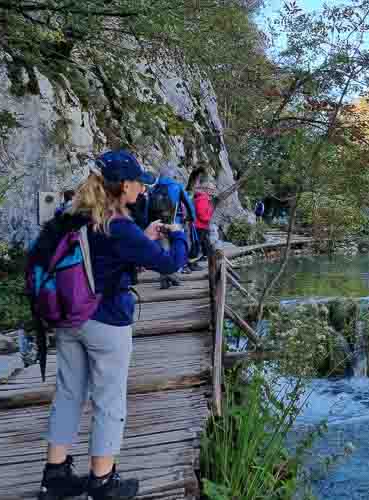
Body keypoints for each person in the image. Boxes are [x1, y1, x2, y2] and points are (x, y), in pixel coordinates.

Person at [38, 150, 188, 500]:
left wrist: (144, 235)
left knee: (69, 394)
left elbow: (106, 253)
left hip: (68, 317)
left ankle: (54, 477)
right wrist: (177, 234)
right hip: (105, 323)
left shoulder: (74, 214)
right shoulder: (119, 227)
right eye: (138, 183)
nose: (142, 189)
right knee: (109, 401)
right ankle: (102, 482)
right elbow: (170, 264)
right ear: (123, 185)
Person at [149, 166, 196, 288]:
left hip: (159, 223)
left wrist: (149, 223)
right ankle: (174, 275)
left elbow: (148, 208)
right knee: (178, 247)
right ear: (172, 175)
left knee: (164, 250)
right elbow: (188, 203)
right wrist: (192, 218)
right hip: (175, 222)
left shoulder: (154, 188)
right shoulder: (177, 186)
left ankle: (164, 278)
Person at [193, 181, 216, 261]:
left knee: (204, 242)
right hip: (200, 225)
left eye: (213, 189)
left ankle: (204, 256)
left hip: (203, 225)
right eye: (211, 189)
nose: (213, 191)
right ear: (206, 189)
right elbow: (201, 214)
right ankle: (192, 263)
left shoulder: (207, 198)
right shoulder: (203, 198)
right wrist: (208, 219)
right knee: (197, 243)